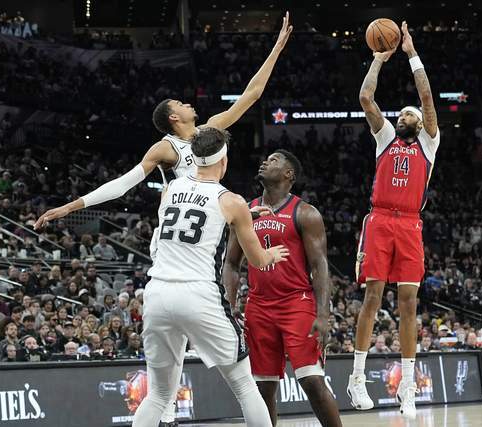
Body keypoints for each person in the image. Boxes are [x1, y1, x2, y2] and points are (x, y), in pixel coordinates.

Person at [32, 12, 293, 231]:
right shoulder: (165, 148)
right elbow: (123, 184)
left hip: (207, 223)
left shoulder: (210, 130)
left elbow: (251, 94)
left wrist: (276, 50)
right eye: (180, 104)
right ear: (173, 117)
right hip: (175, 229)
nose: (188, 104)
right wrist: (70, 207)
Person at [132, 127, 289, 427]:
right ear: (223, 161)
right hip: (198, 294)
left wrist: (241, 218)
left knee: (159, 395)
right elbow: (257, 259)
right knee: (245, 386)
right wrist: (271, 254)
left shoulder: (170, 189)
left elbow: (190, 219)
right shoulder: (232, 201)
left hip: (157, 292)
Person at [347, 21, 440, 419]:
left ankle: (407, 385)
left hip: (410, 225)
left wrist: (412, 54)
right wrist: (378, 60)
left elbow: (426, 96)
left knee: (408, 304)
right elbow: (366, 97)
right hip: (381, 221)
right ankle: (356, 377)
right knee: (372, 295)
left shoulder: (429, 141)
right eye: (400, 113)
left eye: (408, 113)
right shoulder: (385, 136)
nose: (402, 115)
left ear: (419, 122)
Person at [224, 151, 342, 427]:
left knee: (312, 381)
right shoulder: (246, 211)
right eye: (265, 159)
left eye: (274, 160)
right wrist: (230, 303)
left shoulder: (306, 213)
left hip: (297, 302)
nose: (265, 162)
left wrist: (323, 314)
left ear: (289, 174)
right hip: (258, 306)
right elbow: (231, 263)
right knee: (262, 389)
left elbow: (320, 266)